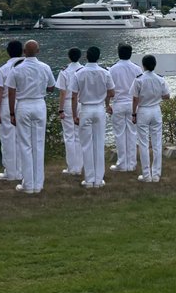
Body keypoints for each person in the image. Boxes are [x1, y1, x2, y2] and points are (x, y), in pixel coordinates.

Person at [7, 40, 57, 194]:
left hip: (23, 105)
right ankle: (38, 183)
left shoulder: (16, 69)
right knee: (38, 144)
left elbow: (11, 92)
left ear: (24, 51)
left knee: (25, 145)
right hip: (39, 104)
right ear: (38, 51)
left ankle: (28, 184)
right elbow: (51, 87)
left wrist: (11, 113)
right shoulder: (45, 67)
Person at [72, 46, 114, 189]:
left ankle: (89, 179)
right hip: (99, 108)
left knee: (86, 145)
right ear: (99, 57)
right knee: (98, 143)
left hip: (85, 108)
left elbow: (73, 95)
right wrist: (107, 104)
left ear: (86, 56)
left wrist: (74, 115)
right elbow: (111, 91)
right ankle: (98, 179)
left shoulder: (79, 73)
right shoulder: (105, 72)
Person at [131, 54, 170, 182]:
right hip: (155, 109)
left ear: (144, 65)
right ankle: (156, 174)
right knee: (157, 143)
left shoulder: (139, 79)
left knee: (143, 143)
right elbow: (167, 96)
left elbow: (135, 98)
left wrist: (133, 113)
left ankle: (146, 175)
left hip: (143, 110)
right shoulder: (160, 79)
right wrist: (157, 96)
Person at [0, 40, 25, 183]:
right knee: (23, 139)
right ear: (23, 51)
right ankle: (23, 170)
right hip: (24, 101)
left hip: (6, 103)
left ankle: (10, 171)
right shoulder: (27, 67)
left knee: (7, 139)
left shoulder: (3, 69)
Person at [108, 44, 142, 173]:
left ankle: (122, 163)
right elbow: (140, 88)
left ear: (118, 53)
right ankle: (132, 163)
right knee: (132, 133)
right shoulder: (137, 68)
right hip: (132, 103)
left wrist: (107, 104)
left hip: (118, 103)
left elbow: (109, 89)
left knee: (119, 134)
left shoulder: (113, 69)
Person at [56, 48, 84, 176]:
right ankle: (79, 166)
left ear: (68, 57)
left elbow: (62, 92)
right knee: (79, 136)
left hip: (68, 103)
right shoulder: (83, 70)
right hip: (80, 103)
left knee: (69, 136)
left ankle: (71, 167)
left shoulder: (64, 71)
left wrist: (60, 109)